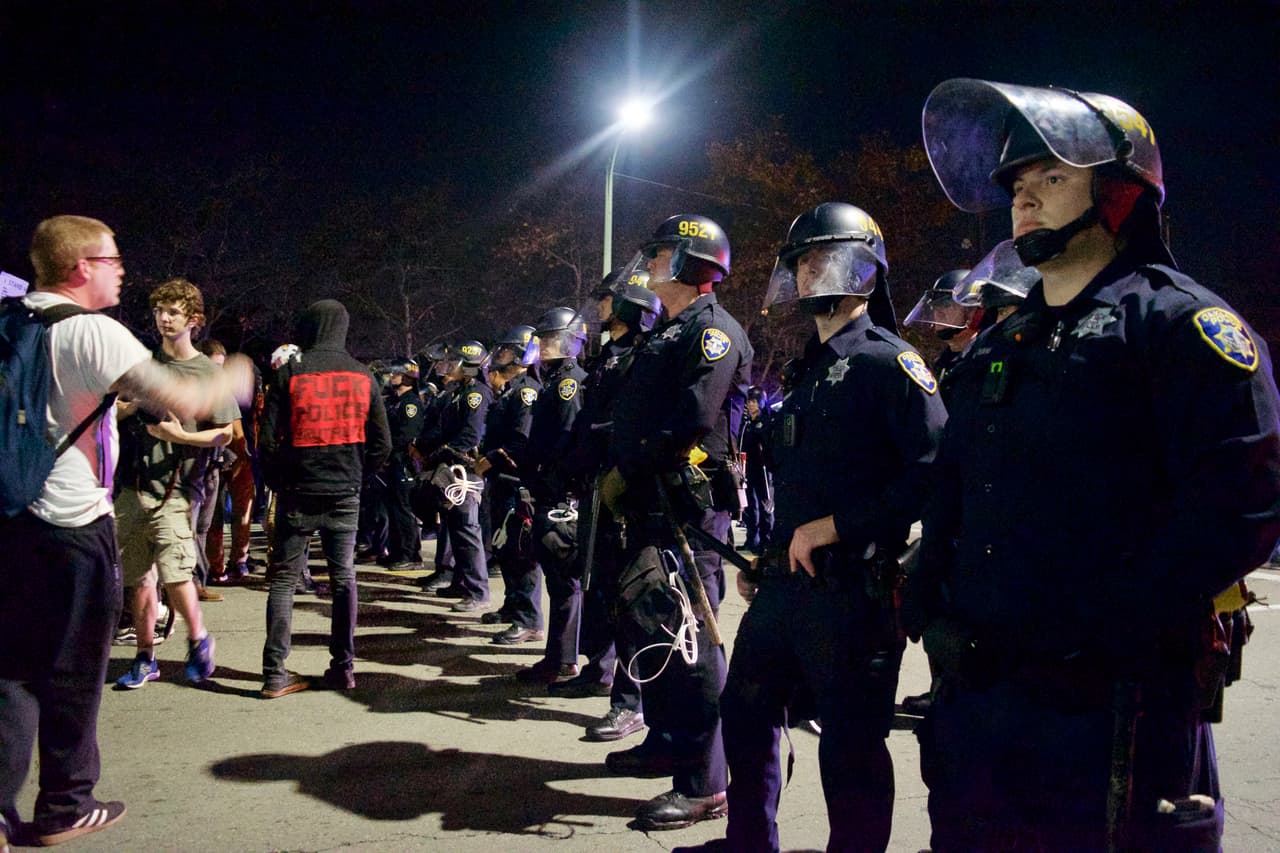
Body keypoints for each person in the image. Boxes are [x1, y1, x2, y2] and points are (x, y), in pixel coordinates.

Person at [913, 78, 1280, 851]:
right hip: (982, 699)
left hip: (1109, 705)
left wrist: (1109, 621)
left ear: (1117, 193)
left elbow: (1239, 509)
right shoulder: (1000, 343)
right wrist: (926, 591)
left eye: (1051, 177)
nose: (1025, 199)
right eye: (1017, 183)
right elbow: (956, 476)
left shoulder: (1180, 325)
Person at [0, 215, 251, 848]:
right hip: (71, 523)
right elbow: (188, 400)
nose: (120, 270)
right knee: (73, 668)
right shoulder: (93, 332)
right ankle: (65, 804)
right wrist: (240, 372)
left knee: (10, 671)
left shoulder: (9, 322)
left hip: (9, 520)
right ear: (81, 267)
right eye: (112, 260)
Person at [703, 203, 946, 853]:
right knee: (746, 711)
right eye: (802, 261)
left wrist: (837, 527)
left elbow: (934, 473)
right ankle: (748, 842)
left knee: (850, 746)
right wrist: (773, 551)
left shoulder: (888, 363)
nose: (809, 273)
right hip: (788, 585)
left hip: (855, 593)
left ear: (863, 268)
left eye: (823, 258)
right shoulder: (808, 369)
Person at [603, 213, 751, 831]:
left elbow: (690, 418)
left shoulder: (711, 331)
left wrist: (631, 469)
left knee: (691, 645)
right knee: (654, 631)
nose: (652, 264)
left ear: (693, 264)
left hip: (686, 509)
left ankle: (705, 782)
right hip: (651, 502)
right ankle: (667, 741)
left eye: (664, 254)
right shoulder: (673, 328)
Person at [257, 299, 391, 698]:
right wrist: (357, 475)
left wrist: (281, 480)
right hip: (344, 494)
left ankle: (274, 673)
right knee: (343, 578)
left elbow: (265, 442)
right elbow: (383, 443)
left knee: (283, 581)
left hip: (298, 492)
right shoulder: (364, 375)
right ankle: (343, 669)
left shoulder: (290, 372)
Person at [113, 279, 241, 692]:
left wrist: (181, 438)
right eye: (159, 312)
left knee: (175, 573)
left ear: (194, 321)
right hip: (132, 486)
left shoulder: (206, 372)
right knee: (139, 579)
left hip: (176, 490)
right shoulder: (142, 364)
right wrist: (130, 405)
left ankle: (198, 637)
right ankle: (145, 656)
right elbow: (108, 413)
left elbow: (225, 433)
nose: (164, 319)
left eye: (173, 312)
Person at [555, 277, 662, 725]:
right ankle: (598, 669)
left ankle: (629, 700)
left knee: (628, 599)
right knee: (599, 588)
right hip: (596, 484)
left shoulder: (642, 354)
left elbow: (626, 423)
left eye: (609, 298)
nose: (601, 304)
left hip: (622, 488)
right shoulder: (608, 357)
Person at [513, 307, 589, 678]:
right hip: (548, 489)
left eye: (551, 338)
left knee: (564, 583)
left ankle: (564, 660)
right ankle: (556, 656)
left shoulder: (568, 383)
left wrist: (551, 479)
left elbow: (565, 438)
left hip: (559, 494)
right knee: (557, 583)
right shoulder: (555, 380)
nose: (544, 345)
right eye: (542, 339)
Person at [475, 324, 544, 642]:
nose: (499, 355)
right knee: (504, 548)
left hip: (515, 481)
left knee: (521, 552)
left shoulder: (526, 390)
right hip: (500, 480)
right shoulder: (509, 389)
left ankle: (529, 619)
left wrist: (492, 458)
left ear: (520, 354)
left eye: (505, 350)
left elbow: (522, 440)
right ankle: (512, 606)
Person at [417, 340, 492, 610]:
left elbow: (470, 435)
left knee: (467, 530)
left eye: (456, 362)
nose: (450, 366)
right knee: (456, 530)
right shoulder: (460, 391)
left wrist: (442, 452)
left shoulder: (477, 394)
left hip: (465, 471)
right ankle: (461, 583)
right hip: (453, 468)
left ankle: (478, 591)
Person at [383, 359, 426, 571]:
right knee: (393, 509)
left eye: (396, 372)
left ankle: (411, 554)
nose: (392, 375)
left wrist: (387, 452)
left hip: (403, 462)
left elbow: (406, 435)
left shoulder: (411, 403)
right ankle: (397, 551)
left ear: (408, 376)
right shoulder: (393, 401)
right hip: (391, 462)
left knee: (404, 509)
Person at [738, 386, 773, 552]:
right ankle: (752, 539)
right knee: (750, 506)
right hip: (748, 467)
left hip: (762, 468)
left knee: (765, 504)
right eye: (749, 401)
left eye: (754, 401)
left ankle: (766, 541)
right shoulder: (745, 423)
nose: (751, 404)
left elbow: (766, 443)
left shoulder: (765, 421)